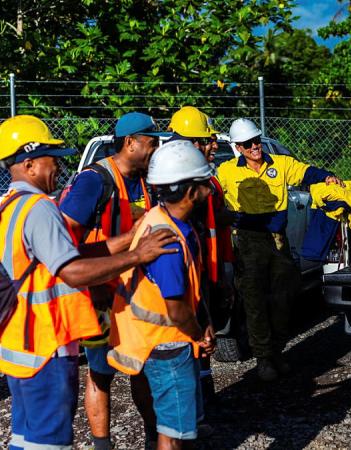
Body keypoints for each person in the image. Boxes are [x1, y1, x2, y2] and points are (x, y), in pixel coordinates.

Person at [0, 115, 177, 450]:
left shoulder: (10, 205)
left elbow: (65, 252)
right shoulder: (39, 207)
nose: (59, 167)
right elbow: (72, 270)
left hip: (17, 343)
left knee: (25, 439)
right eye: (53, 159)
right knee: (48, 443)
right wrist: (136, 257)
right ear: (29, 163)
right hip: (45, 345)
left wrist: (128, 241)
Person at [59, 111, 167, 450]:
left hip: (134, 296)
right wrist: (94, 287)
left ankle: (154, 438)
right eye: (152, 142)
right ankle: (102, 445)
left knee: (144, 368)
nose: (156, 148)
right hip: (101, 297)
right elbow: (65, 244)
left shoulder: (146, 179)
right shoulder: (95, 180)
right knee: (101, 373)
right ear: (131, 142)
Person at [107, 140, 216, 449]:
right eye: (204, 183)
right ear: (191, 192)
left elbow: (190, 290)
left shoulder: (168, 220)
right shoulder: (167, 240)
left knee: (170, 427)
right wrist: (199, 335)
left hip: (163, 340)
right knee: (174, 432)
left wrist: (203, 320)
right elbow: (176, 309)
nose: (210, 189)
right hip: (167, 343)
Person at [216, 118, 342, 381]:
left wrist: (327, 177)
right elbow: (214, 197)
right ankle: (264, 359)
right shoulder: (227, 171)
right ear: (238, 147)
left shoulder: (280, 164)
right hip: (248, 242)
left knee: (285, 296)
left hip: (277, 241)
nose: (255, 146)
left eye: (256, 140)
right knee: (254, 302)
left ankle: (276, 351)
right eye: (248, 143)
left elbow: (307, 172)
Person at [168, 105, 235, 404]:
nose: (214, 145)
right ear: (193, 142)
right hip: (181, 276)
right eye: (209, 140)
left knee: (204, 340)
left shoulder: (206, 179)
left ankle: (203, 407)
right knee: (186, 340)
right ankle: (190, 410)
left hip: (204, 271)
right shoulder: (173, 181)